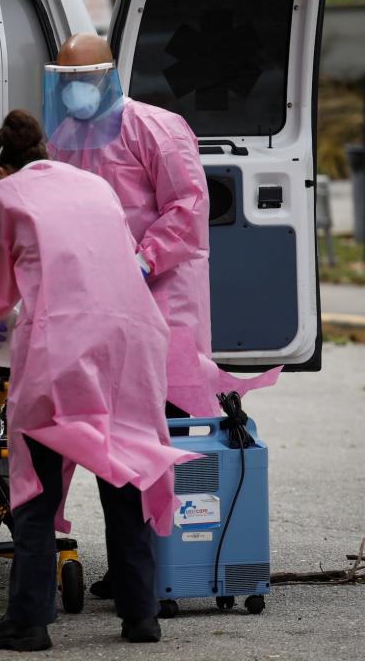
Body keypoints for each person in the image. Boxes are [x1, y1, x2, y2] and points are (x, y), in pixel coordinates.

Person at [42, 33, 279, 599]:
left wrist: (143, 261)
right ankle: (134, 569)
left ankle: (158, 569)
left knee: (155, 433)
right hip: (101, 304)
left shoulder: (156, 127)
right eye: (66, 82)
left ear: (108, 74)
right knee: (108, 437)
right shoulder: (68, 136)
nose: (75, 92)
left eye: (84, 80)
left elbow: (189, 205)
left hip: (161, 303)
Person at [0, 110, 199, 651]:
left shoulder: (0, 196)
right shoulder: (94, 185)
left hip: (61, 350)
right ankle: (141, 615)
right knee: (124, 476)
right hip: (134, 341)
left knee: (36, 486)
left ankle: (27, 620)